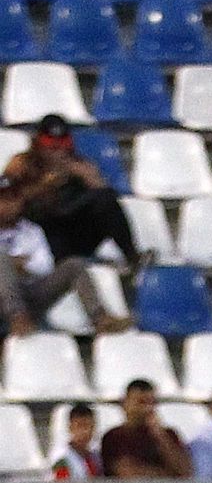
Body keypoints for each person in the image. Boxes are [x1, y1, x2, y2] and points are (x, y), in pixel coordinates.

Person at [2, 114, 143, 266]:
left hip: (73, 234)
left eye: (62, 143)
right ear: (38, 144)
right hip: (41, 235)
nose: (57, 151)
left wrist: (91, 179)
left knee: (105, 200)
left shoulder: (79, 166)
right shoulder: (22, 164)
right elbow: (8, 204)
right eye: (50, 145)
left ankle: (132, 258)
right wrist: (44, 186)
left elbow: (107, 199)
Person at [0, 174, 121, 337]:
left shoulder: (32, 231)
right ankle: (17, 317)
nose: (7, 205)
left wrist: (20, 267)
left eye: (12, 199)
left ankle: (100, 318)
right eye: (2, 200)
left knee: (74, 264)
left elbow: (45, 265)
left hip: (31, 292)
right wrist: (10, 264)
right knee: (1, 259)